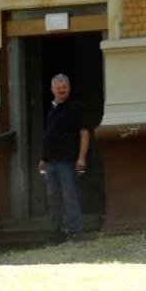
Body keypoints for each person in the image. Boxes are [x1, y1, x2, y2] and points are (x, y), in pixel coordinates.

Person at [39, 74, 90, 244]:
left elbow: (84, 133)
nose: (61, 90)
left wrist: (82, 157)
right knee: (53, 200)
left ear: (69, 89)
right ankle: (55, 234)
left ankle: (75, 232)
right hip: (51, 162)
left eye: (64, 87)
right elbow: (50, 135)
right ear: (52, 89)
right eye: (58, 87)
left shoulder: (76, 107)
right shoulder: (52, 110)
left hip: (68, 161)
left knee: (70, 197)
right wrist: (44, 158)